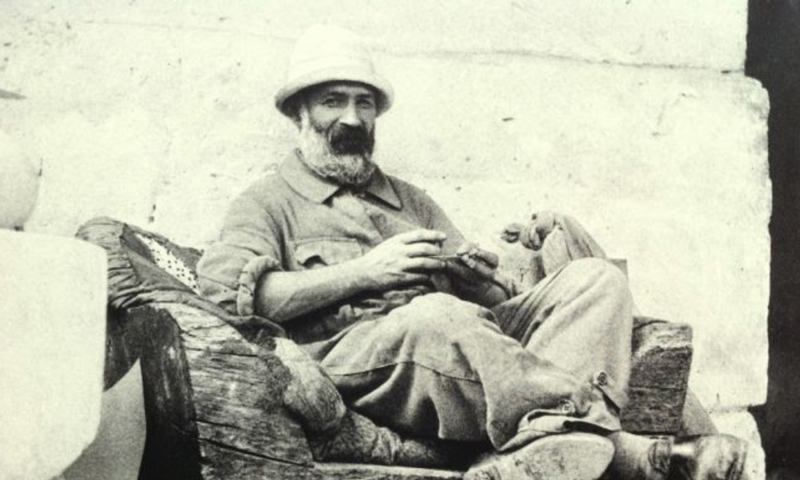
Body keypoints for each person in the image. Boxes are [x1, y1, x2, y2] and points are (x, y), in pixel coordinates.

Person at [197, 25, 747, 480]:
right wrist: (366, 272)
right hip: (362, 366)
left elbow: (488, 308)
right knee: (435, 314)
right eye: (332, 101)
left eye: (364, 103)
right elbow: (228, 298)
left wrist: (479, 277)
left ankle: (547, 446)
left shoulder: (411, 199)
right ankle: (620, 450)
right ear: (298, 113)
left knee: (595, 280)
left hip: (455, 350)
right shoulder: (267, 202)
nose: (352, 119)